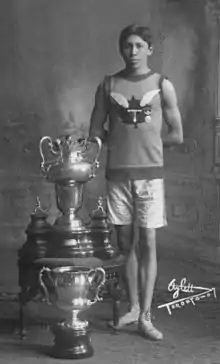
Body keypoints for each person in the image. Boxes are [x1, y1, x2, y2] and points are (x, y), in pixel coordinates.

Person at [89, 24, 183, 341]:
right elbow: (95, 131)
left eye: (139, 46)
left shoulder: (162, 85)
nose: (133, 52)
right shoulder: (109, 84)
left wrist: (149, 143)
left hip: (149, 176)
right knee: (125, 245)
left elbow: (177, 134)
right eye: (128, 46)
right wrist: (112, 141)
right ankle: (132, 308)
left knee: (148, 243)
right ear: (121, 49)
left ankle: (146, 315)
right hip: (118, 175)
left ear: (149, 49)